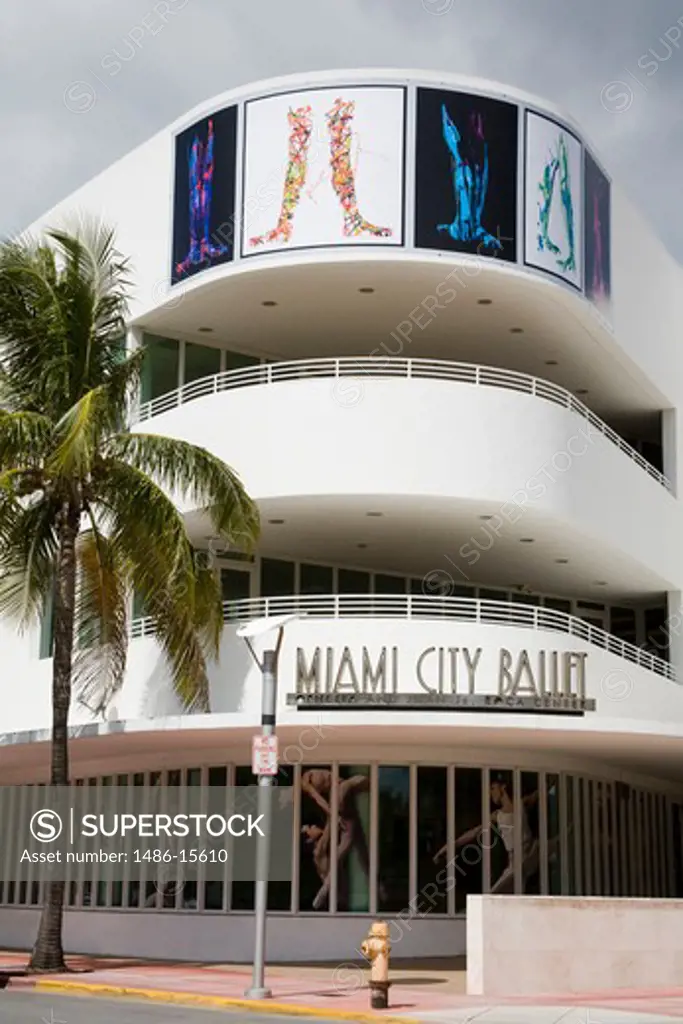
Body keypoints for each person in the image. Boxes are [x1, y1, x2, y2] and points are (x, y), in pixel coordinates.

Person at [434, 776, 540, 893]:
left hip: (530, 853)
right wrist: (447, 847)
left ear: (503, 787)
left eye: (493, 788)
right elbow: (473, 833)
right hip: (515, 863)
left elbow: (539, 793)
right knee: (496, 895)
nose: (491, 793)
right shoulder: (497, 815)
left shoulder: (521, 804)